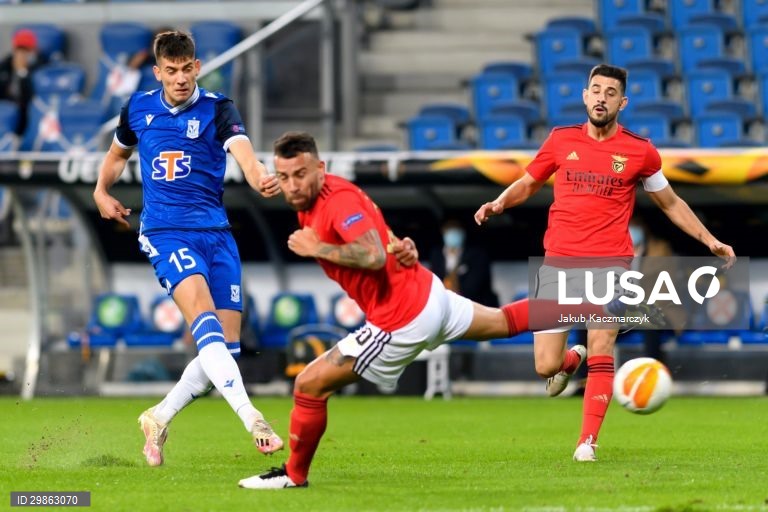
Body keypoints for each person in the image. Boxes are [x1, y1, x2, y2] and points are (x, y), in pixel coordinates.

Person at [237, 131, 540, 489]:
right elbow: (381, 241)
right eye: (284, 177)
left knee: (309, 384)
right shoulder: (331, 195)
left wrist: (318, 246)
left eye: (300, 174)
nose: (292, 186)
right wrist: (402, 245)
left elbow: (372, 255)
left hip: (402, 315)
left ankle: (293, 475)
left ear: (320, 168)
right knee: (504, 321)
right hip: (428, 291)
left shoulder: (336, 204)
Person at [473, 64, 735, 462]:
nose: (601, 97)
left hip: (610, 264)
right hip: (558, 263)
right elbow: (528, 183)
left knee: (603, 340)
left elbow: (671, 203)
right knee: (546, 366)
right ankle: (570, 359)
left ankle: (587, 442)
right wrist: (499, 202)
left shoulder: (639, 150)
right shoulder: (561, 140)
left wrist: (710, 239)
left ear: (622, 102)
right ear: (584, 96)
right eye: (595, 90)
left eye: (610, 93)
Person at [93, 30, 284, 467]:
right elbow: (117, 154)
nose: (180, 79)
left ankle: (159, 417)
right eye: (171, 71)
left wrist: (260, 179)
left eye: (186, 70)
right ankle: (253, 419)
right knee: (206, 325)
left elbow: (245, 155)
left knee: (226, 350)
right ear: (158, 72)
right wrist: (101, 191)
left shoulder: (219, 108)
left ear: (197, 67)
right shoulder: (138, 108)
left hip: (216, 234)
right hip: (165, 231)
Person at [430, 219, 499, 307]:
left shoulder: (477, 255)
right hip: (444, 305)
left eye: (456, 229)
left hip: (475, 305)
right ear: (443, 231)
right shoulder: (436, 254)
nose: (453, 234)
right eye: (449, 229)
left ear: (463, 233)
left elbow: (475, 286)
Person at [0, 29, 40, 136]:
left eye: (26, 50)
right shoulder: (5, 66)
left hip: (27, 114)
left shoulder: (40, 68)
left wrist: (22, 72)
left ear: (33, 51)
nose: (22, 55)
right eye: (19, 50)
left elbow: (31, 98)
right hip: (7, 113)